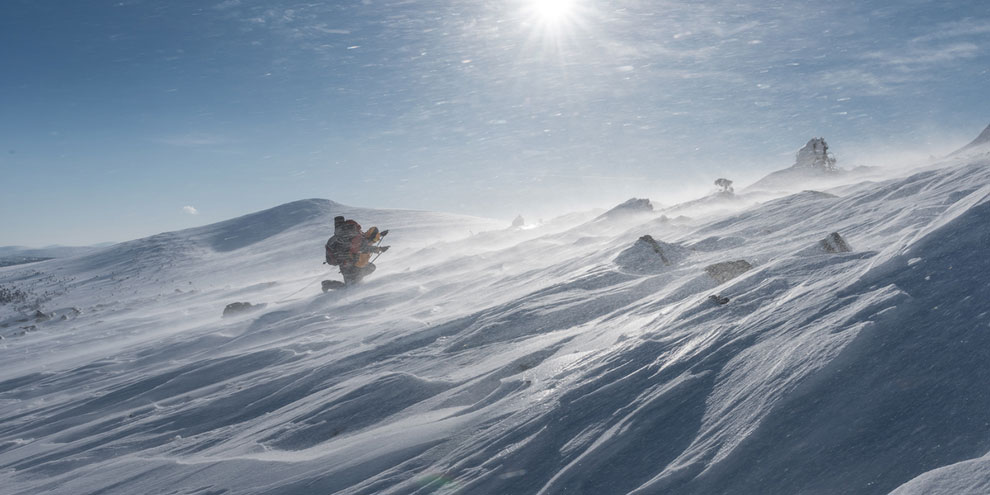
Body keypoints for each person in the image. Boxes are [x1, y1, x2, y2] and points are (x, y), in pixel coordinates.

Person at [324, 216, 389, 288]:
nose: (372, 242)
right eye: (372, 240)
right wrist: (379, 249)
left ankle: (329, 284)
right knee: (349, 287)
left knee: (369, 269)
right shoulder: (358, 238)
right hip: (348, 266)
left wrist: (380, 235)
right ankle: (327, 284)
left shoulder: (360, 236)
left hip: (349, 265)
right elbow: (361, 248)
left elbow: (367, 241)